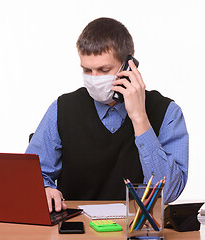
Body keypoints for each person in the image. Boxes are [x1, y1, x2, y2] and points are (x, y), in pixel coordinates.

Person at [26, 17, 189, 212]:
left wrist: (139, 118)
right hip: (78, 228)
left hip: (136, 229)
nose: (94, 79)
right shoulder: (62, 108)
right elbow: (32, 176)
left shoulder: (168, 112)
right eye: (87, 70)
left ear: (129, 63)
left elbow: (168, 193)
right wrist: (44, 188)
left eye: (104, 70)